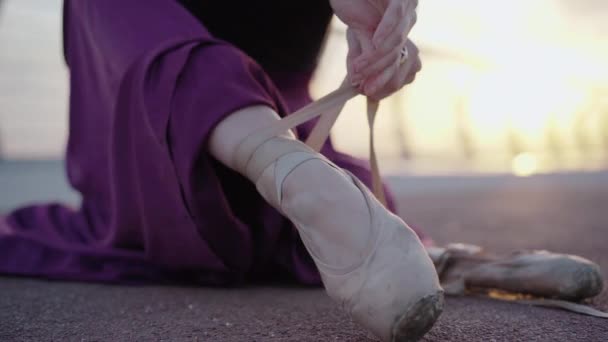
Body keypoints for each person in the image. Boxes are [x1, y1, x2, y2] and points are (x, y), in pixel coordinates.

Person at [0, 1, 444, 340]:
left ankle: (290, 172)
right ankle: (297, 176)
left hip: (218, 155)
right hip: (184, 157)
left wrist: (376, 34)